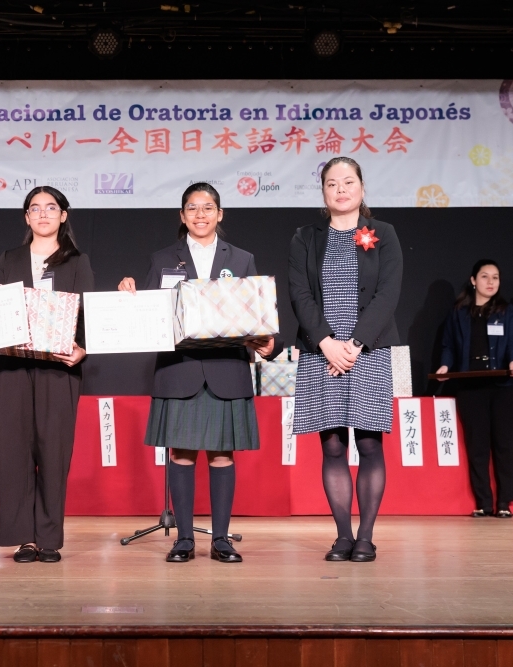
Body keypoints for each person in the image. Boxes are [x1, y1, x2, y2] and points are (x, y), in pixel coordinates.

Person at [117, 182, 282, 564]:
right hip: (180, 370)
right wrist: (130, 294)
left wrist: (270, 342)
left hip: (226, 370)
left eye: (208, 207)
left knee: (222, 456)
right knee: (181, 456)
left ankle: (222, 540)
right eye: (192, 207)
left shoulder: (241, 259)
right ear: (182, 216)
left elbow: (259, 314)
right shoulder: (162, 259)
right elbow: (149, 315)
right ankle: (185, 540)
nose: (201, 214)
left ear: (220, 214)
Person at [288, 156, 403, 563]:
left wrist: (352, 344)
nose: (340, 189)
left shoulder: (382, 233)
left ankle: (366, 537)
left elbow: (387, 294)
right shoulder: (305, 236)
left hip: (367, 352)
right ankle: (342, 535)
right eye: (332, 183)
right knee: (333, 446)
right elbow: (299, 294)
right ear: (323, 192)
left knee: (369, 444)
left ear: (362, 188)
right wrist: (326, 342)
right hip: (322, 353)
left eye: (348, 181)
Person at [0, 186, 93, 563]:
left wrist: (82, 348)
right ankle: (22, 538)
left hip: (58, 370)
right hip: (12, 368)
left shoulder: (77, 262)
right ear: (26, 217)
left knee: (54, 451)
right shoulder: (8, 259)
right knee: (14, 451)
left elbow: (87, 317)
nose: (43, 214)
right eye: (35, 208)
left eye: (51, 208)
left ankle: (47, 538)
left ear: (64, 215)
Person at [435, 260, 513, 518]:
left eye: (495, 277)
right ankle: (484, 501)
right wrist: (444, 366)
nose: (491, 282)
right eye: (485, 276)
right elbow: (448, 346)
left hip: (504, 386)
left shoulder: (506, 311)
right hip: (471, 385)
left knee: (505, 445)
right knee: (478, 445)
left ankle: (505, 502)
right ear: (473, 280)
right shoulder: (459, 311)